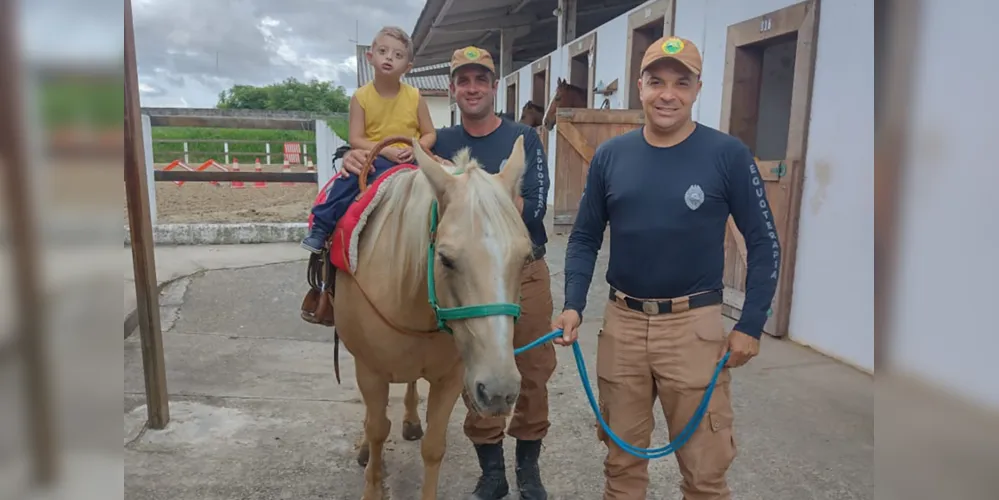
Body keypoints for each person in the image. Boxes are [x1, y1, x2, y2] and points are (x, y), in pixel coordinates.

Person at [551, 36, 781, 500]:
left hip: (693, 329)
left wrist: (751, 324)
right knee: (621, 467)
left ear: (698, 89)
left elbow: (764, 243)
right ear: (640, 86)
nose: (667, 94)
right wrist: (573, 305)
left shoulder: (727, 155)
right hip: (623, 328)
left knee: (705, 475)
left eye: (681, 82)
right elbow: (583, 238)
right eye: (656, 81)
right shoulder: (612, 158)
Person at [342, 46, 555, 500]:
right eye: (464, 81)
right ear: (453, 90)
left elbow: (534, 210)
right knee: (469, 362)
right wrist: (354, 158)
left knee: (532, 371)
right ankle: (492, 471)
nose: (472, 88)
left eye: (481, 79)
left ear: (495, 86)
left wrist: (483, 197)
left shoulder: (523, 139)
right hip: (461, 273)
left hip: (521, 268)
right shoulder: (439, 142)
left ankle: (530, 472)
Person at [300, 26, 436, 253]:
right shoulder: (360, 97)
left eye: (398, 55)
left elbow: (430, 133)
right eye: (383, 51)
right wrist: (383, 151)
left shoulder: (415, 96)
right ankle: (322, 227)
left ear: (408, 67)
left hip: (410, 159)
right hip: (376, 158)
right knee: (348, 180)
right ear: (370, 57)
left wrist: (417, 148)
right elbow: (356, 139)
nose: (389, 58)